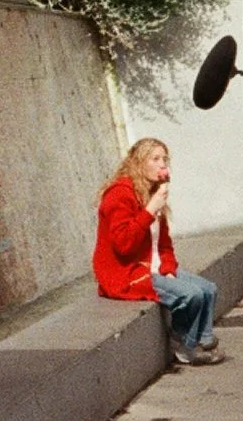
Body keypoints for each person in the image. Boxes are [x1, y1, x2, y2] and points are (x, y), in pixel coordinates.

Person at [94, 138, 225, 367]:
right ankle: (186, 345)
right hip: (127, 273)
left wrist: (168, 268)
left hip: (153, 267)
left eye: (164, 159)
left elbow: (164, 245)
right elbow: (123, 245)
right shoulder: (119, 195)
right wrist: (150, 210)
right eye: (155, 159)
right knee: (190, 295)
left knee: (208, 289)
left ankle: (200, 340)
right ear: (138, 163)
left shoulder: (153, 193)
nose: (162, 165)